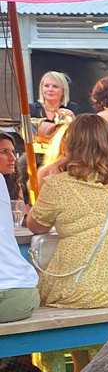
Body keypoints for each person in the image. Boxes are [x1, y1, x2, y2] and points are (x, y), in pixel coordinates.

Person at [25, 114, 108, 372]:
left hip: (82, 288)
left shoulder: (59, 184)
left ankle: (77, 368)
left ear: (69, 144)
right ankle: (90, 369)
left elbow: (35, 225)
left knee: (46, 291)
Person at [0, 132, 40, 324]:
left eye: (13, 152)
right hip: (19, 295)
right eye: (3, 152)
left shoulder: (6, 182)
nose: (12, 158)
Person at [30, 71, 81, 149]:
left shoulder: (72, 108)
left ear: (63, 91)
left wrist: (73, 119)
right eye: (46, 86)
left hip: (63, 152)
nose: (50, 89)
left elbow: (79, 135)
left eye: (55, 86)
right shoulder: (32, 109)